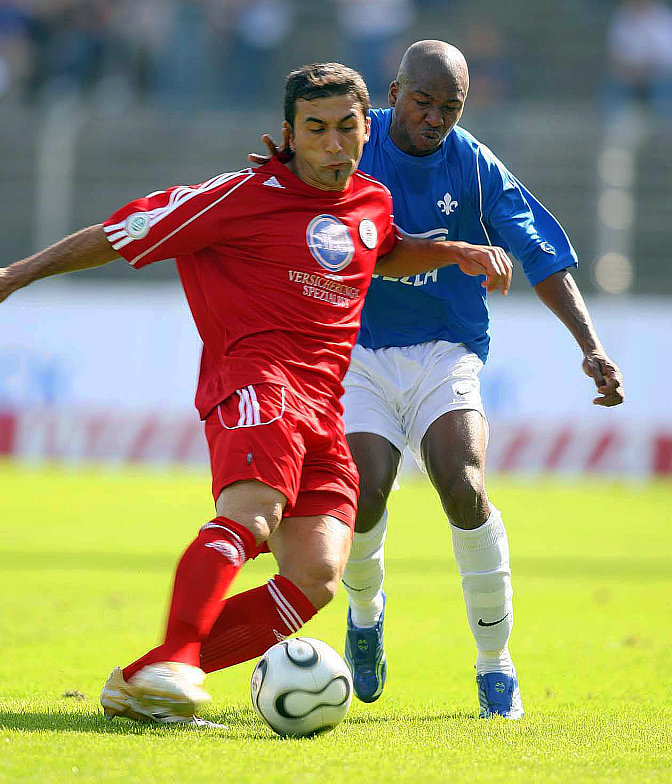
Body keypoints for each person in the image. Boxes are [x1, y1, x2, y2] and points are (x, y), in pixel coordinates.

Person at [0, 61, 512, 726]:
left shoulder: (370, 201)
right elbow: (121, 234)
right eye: (316, 129)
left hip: (324, 407)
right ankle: (176, 662)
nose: (333, 144)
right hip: (255, 382)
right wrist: (16, 275)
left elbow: (383, 250)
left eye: (346, 127)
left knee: (317, 574)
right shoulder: (239, 196)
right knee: (254, 513)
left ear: (368, 128)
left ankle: (141, 680)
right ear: (289, 135)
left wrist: (456, 252)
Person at [251, 39, 625, 720]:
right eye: (422, 102)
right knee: (364, 493)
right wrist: (278, 173)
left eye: (450, 107)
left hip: (445, 349)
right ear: (395, 93)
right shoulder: (352, 142)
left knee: (464, 483)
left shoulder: (473, 164)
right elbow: (287, 188)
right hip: (357, 351)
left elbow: (541, 254)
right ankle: (365, 614)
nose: (434, 118)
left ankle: (495, 664)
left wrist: (591, 347)